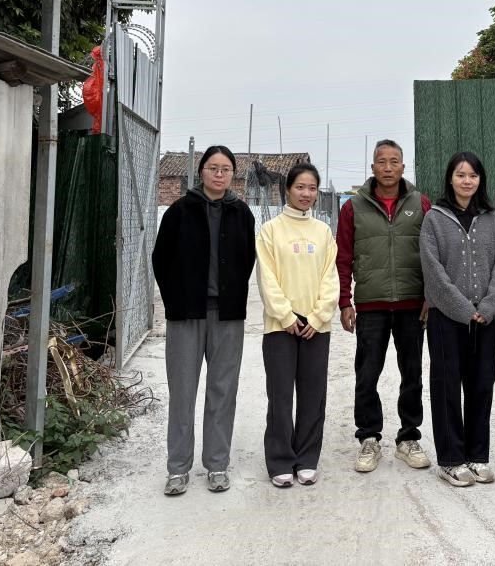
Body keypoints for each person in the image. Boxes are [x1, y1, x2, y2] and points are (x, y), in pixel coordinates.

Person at [151, 145, 256, 496]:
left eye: (226, 169)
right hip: (186, 315)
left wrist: (231, 292)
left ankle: (217, 464)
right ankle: (178, 468)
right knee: (183, 390)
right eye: (213, 168)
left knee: (223, 391)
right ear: (201, 171)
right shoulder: (179, 211)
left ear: (233, 175)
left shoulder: (242, 214)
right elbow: (161, 259)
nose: (219, 174)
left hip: (227, 315)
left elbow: (247, 259)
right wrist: (175, 300)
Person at [336, 139, 433, 473]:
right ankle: (369, 437)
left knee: (412, 374)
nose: (388, 167)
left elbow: (432, 255)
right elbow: (343, 257)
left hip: (412, 304)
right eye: (382, 161)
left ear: (403, 167)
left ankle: (408, 438)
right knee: (367, 374)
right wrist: (345, 301)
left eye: (394, 161)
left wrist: (430, 297)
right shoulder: (354, 207)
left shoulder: (421, 203)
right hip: (371, 304)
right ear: (373, 167)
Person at [419, 151, 495, 487]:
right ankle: (450, 459)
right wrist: (461, 307)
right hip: (446, 317)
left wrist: (489, 305)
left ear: (480, 179)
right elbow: (433, 270)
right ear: (450, 178)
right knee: (446, 386)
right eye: (460, 175)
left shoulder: (491, 218)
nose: (467, 181)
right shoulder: (435, 218)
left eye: (473, 175)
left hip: (485, 317)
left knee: (481, 384)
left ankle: (477, 455)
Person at [256, 162, 340, 488]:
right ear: (288, 190)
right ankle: (280, 460)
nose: (306, 194)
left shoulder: (323, 232)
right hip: (280, 326)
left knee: (312, 395)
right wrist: (287, 316)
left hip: (317, 326)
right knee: (280, 395)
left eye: (312, 188)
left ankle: (306, 458)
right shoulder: (271, 230)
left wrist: (318, 317)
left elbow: (330, 278)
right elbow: (267, 279)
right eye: (300, 187)